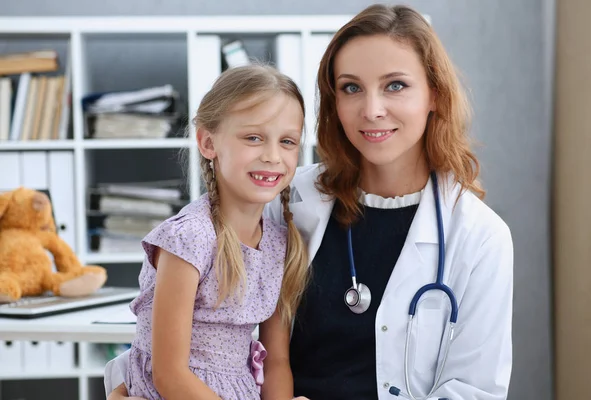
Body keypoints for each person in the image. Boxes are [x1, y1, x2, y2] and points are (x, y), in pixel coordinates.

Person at [107, 3, 513, 400]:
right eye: (351, 87)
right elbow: (191, 335)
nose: (372, 110)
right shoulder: (284, 201)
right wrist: (126, 385)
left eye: (395, 85)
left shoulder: (479, 237)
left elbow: (472, 390)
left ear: (435, 95)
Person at [105, 64, 313, 400]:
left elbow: (277, 361)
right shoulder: (190, 239)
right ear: (207, 142)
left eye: (287, 141)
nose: (273, 156)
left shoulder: (280, 244)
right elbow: (169, 375)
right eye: (253, 137)